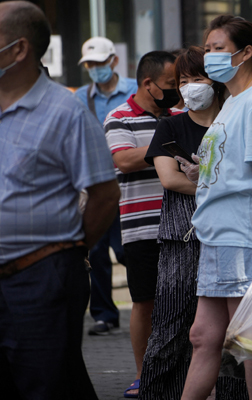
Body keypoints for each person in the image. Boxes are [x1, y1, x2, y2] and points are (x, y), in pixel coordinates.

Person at [0, 2, 120, 399]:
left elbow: (104, 196)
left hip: (42, 275)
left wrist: (68, 249)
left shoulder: (66, 112)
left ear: (19, 50)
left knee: (46, 383)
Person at [178, 16, 252, 400]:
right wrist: (202, 172)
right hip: (218, 231)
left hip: (242, 233)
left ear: (244, 54)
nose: (210, 56)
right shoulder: (233, 101)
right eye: (208, 48)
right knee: (203, 336)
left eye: (218, 48)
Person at [139, 46, 246, 400]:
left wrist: (208, 182)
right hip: (181, 242)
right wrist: (218, 185)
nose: (189, 87)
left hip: (229, 239)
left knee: (233, 336)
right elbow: (170, 180)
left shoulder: (233, 121)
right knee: (169, 330)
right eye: (183, 81)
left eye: (197, 78)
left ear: (215, 81)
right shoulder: (170, 125)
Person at [103, 50, 180, 398]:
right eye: (170, 85)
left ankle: (179, 373)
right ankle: (142, 373)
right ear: (147, 84)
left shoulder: (179, 114)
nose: (176, 91)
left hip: (182, 226)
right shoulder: (119, 117)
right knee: (144, 302)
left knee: (183, 302)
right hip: (140, 228)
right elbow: (124, 159)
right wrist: (167, 140)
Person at [74, 36, 138, 336]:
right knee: (96, 249)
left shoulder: (135, 90)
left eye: (100, 63)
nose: (95, 69)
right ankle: (104, 314)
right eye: (90, 64)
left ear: (113, 61)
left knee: (128, 249)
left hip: (129, 182)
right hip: (96, 184)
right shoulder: (80, 98)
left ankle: (146, 303)